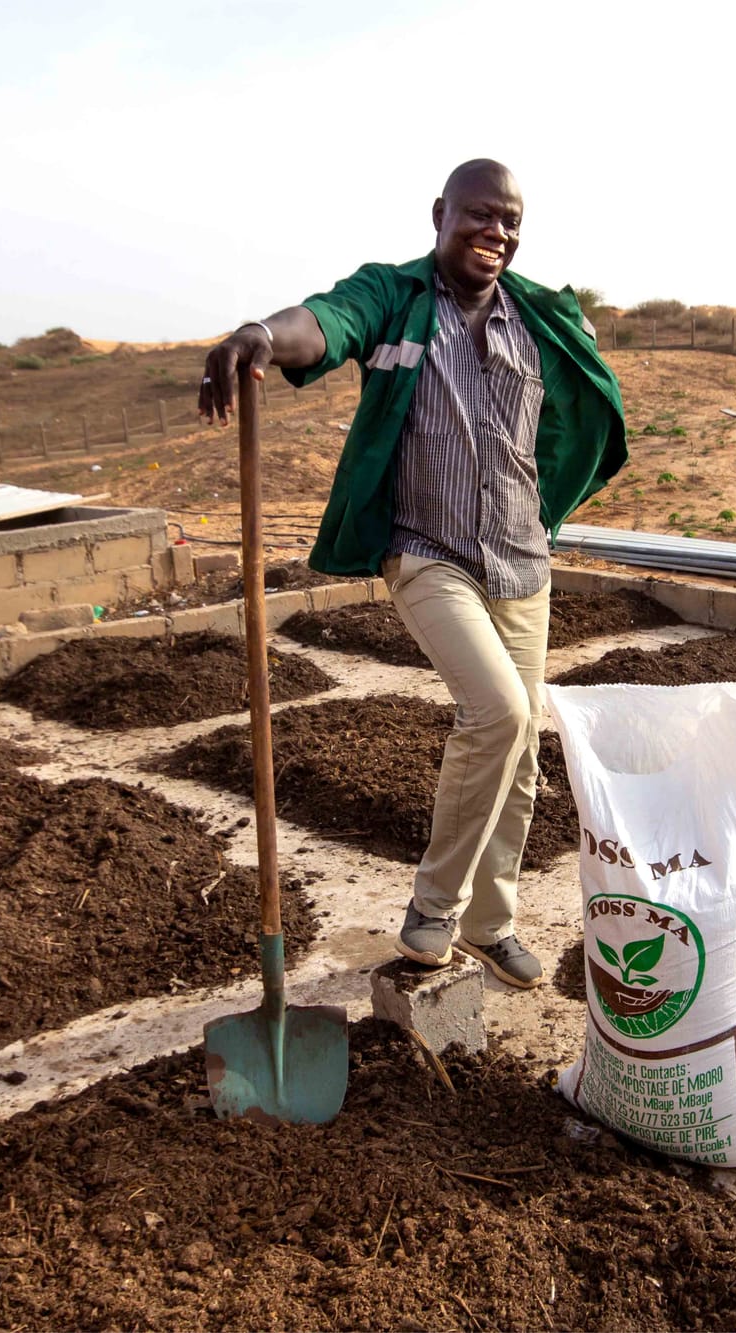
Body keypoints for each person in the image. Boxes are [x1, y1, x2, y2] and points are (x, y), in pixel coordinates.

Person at [197, 159, 625, 989]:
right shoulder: (394, 297)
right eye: (478, 216)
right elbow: (326, 323)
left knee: (522, 756)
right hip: (427, 551)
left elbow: (579, 416)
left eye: (509, 221)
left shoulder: (540, 317)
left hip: (521, 557)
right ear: (439, 214)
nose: (494, 233)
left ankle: (491, 924)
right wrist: (261, 332)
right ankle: (434, 910)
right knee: (496, 710)